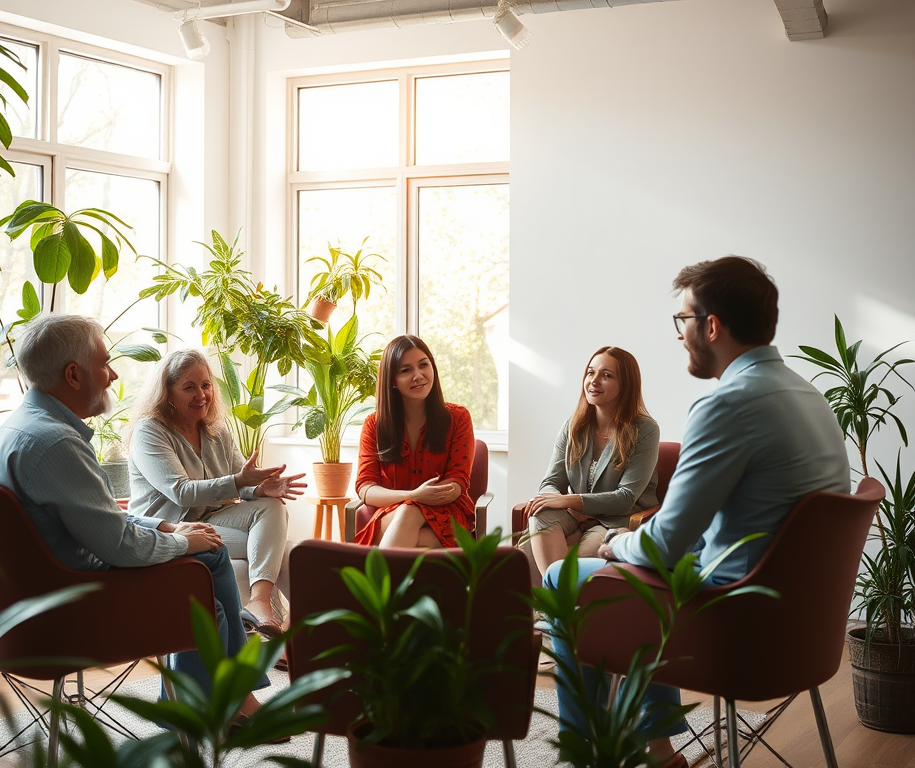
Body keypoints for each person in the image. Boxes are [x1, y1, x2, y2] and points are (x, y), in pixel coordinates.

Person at [544, 256, 850, 767]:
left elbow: (663, 542)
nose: (680, 334)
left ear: (711, 326)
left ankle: (582, 757)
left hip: (734, 625)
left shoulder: (727, 404)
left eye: (682, 321)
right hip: (803, 629)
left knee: (562, 577)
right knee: (648, 577)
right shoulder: (809, 396)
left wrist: (615, 543)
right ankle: (660, 752)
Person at [0, 315, 269, 714]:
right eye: (105, 363)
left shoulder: (21, 428)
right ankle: (220, 702)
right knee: (201, 595)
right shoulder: (56, 443)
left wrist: (165, 525)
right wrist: (182, 540)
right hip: (71, 610)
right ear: (74, 375)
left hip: (29, 601)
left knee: (210, 551)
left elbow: (99, 517)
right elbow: (120, 546)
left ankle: (229, 695)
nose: (112, 375)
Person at [127, 349, 305, 637]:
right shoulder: (150, 432)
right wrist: (239, 481)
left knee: (273, 507)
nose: (202, 395)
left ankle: (263, 606)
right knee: (284, 551)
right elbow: (181, 492)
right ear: (168, 393)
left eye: (206, 385)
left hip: (215, 519)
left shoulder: (215, 430)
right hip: (172, 529)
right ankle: (294, 637)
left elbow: (241, 479)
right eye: (189, 387)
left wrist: (260, 487)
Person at [524, 346, 659, 575]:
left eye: (607, 375)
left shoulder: (644, 429)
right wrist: (557, 500)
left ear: (626, 384)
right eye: (590, 372)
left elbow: (625, 498)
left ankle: (559, 603)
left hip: (616, 522)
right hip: (575, 517)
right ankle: (561, 602)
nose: (594, 381)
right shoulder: (573, 425)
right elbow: (551, 482)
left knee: (569, 559)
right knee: (540, 514)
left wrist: (571, 501)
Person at [355, 335, 476, 548]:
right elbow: (366, 488)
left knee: (408, 515)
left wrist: (416, 502)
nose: (418, 375)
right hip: (392, 512)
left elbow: (457, 483)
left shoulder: (458, 418)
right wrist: (413, 496)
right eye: (406, 370)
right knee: (407, 511)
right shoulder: (374, 425)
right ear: (392, 380)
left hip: (449, 513)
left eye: (423, 365)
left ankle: (380, 581)